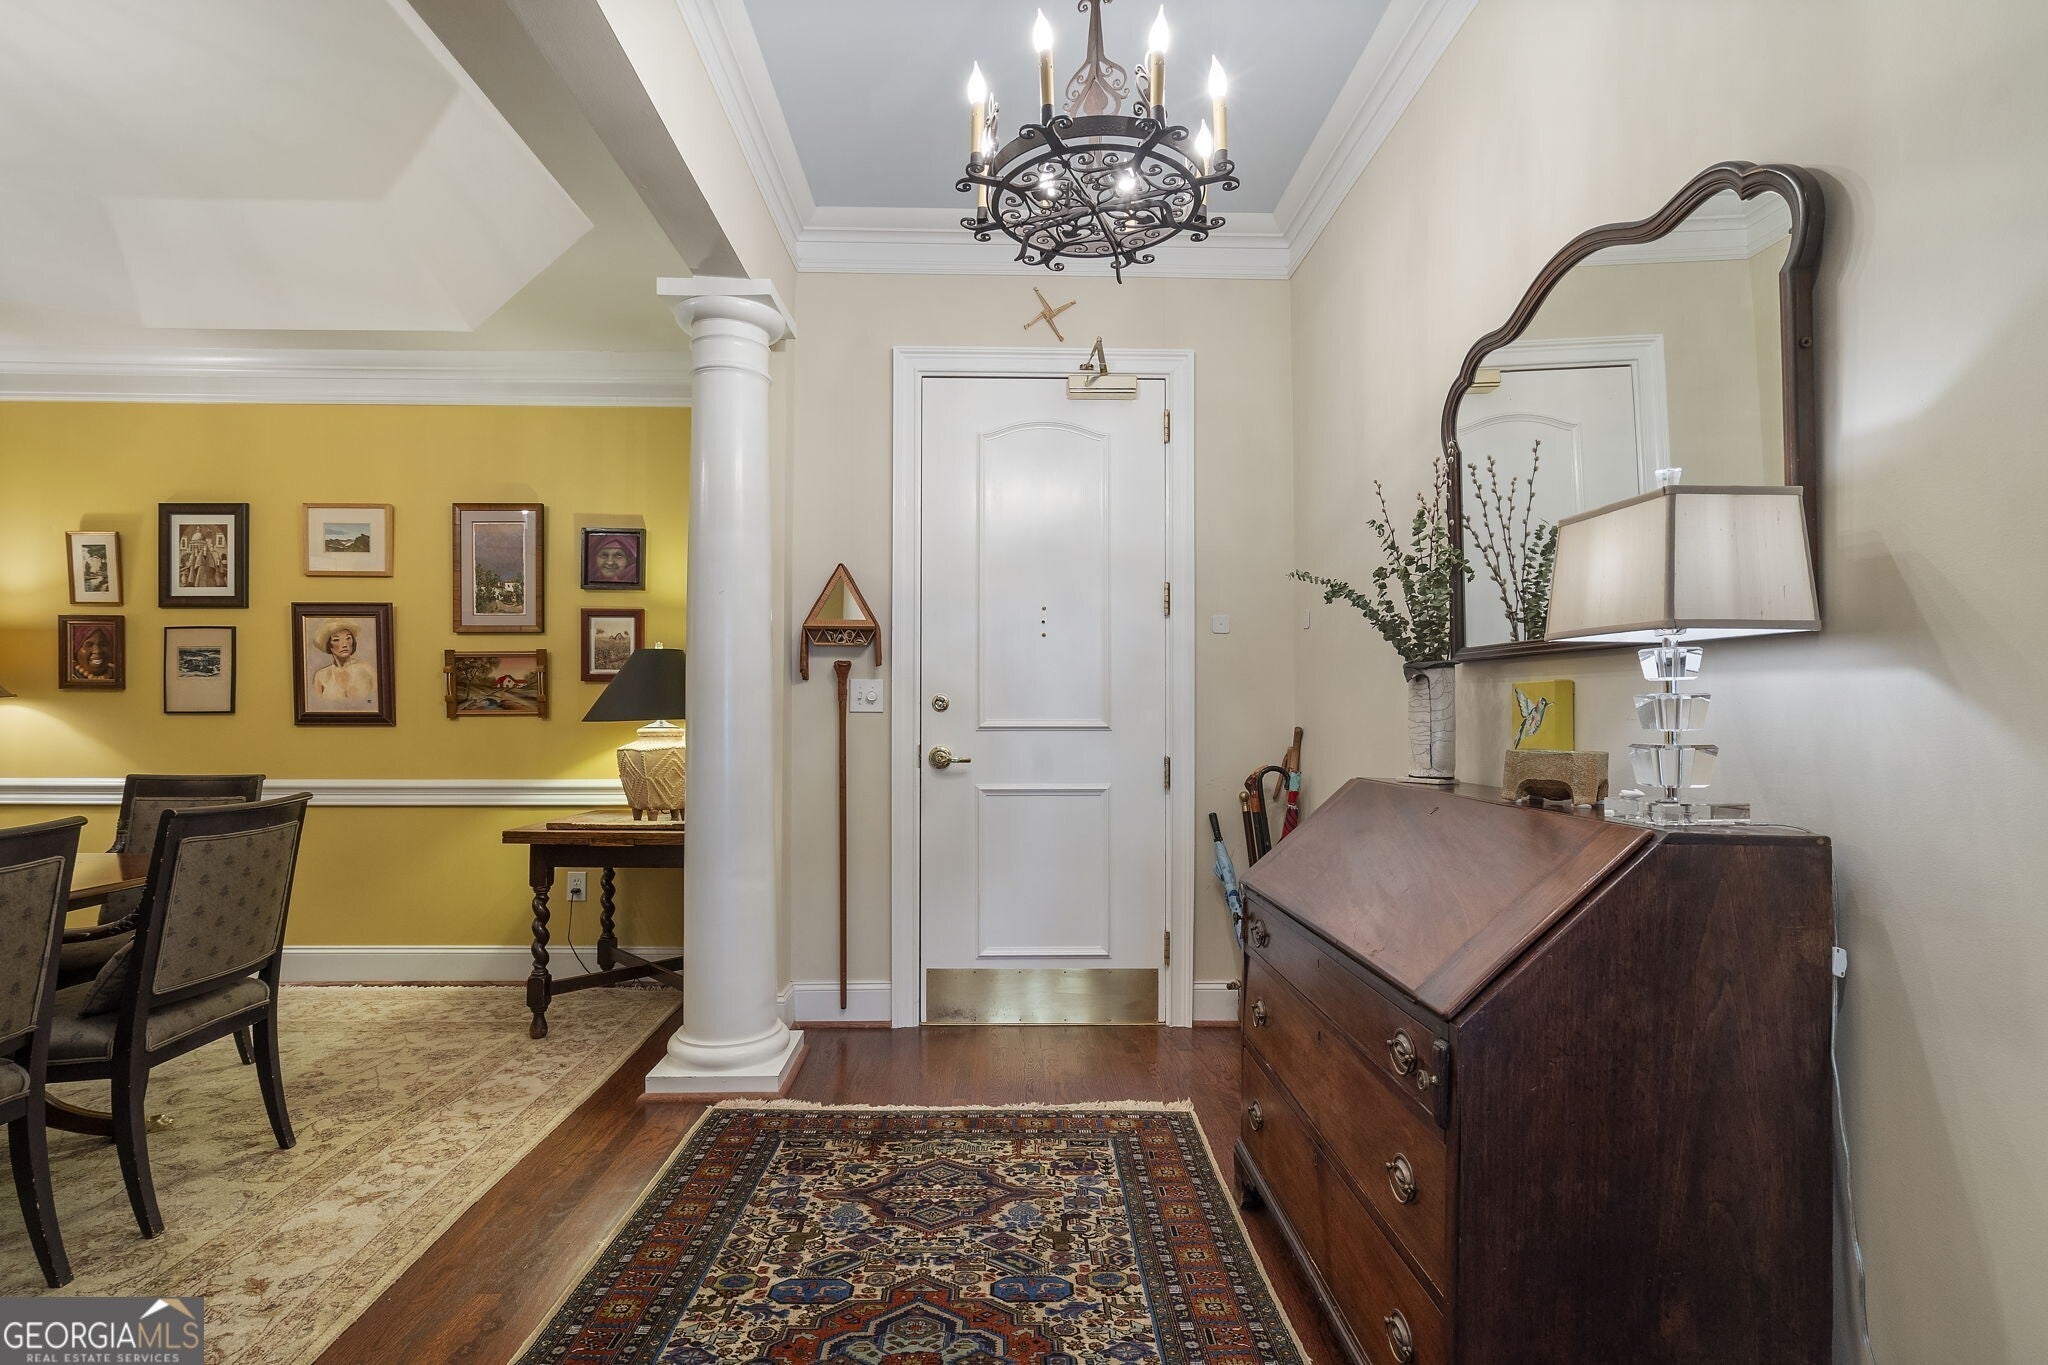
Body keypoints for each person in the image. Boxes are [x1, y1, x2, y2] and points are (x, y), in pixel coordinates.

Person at [310, 620, 377, 708]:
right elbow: (316, 708)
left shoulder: (367, 670)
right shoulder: (321, 676)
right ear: (329, 645)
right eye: (336, 640)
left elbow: (375, 703)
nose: (344, 644)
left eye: (348, 638)